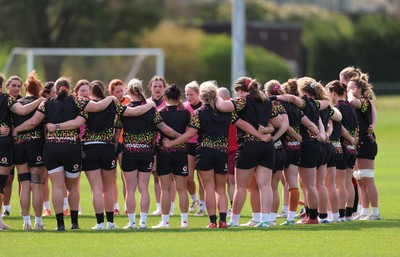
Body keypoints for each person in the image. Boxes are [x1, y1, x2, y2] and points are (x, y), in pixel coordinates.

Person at [13, 76, 116, 231]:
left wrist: (17, 129)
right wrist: (111, 98)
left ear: (56, 89)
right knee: (73, 188)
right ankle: (74, 223)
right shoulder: (76, 101)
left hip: (51, 149)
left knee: (57, 187)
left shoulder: (46, 103)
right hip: (71, 148)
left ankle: (60, 224)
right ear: (69, 89)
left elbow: (34, 122)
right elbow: (98, 107)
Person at [165, 81, 269, 228]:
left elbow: (190, 135)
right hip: (222, 152)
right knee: (221, 189)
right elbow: (244, 125)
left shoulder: (198, 113)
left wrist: (171, 143)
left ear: (201, 96)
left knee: (208, 188)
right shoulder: (227, 113)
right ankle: (223, 220)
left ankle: (212, 221)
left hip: (205, 152)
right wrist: (261, 135)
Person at [216, 77, 280, 228]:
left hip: (248, 145)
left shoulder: (242, 101)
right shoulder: (266, 101)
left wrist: (217, 97)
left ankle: (235, 220)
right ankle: (265, 220)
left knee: (241, 186)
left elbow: (222, 107)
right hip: (266, 146)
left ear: (239, 90)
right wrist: (267, 129)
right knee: (265, 185)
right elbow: (278, 123)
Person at [120, 79, 180, 230]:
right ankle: (143, 222)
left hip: (129, 151)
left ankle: (132, 222)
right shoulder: (151, 110)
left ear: (128, 92)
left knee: (130, 189)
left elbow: (115, 134)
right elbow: (165, 129)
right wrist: (181, 137)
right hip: (146, 152)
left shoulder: (123, 110)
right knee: (144, 188)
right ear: (142, 91)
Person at [274, 77, 330, 224]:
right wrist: (321, 133)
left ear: (304, 92)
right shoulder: (317, 104)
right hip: (317, 145)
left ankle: (312, 217)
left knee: (309, 185)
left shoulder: (304, 102)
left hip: (307, 146)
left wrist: (273, 96)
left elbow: (292, 98)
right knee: (310, 184)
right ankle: (313, 215)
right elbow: (316, 122)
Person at [1, 74, 44, 230]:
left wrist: (15, 130)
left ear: (24, 87)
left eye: (18, 86)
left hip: (18, 145)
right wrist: (40, 100)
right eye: (14, 86)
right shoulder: (39, 103)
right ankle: (38, 223)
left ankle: (26, 222)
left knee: (24, 185)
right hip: (35, 145)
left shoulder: (11, 103)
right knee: (37, 185)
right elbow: (32, 119)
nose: (16, 88)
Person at [151, 84, 190, 228]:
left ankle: (165, 222)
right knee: (182, 188)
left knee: (165, 189)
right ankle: (184, 221)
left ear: (165, 97)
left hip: (164, 152)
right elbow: (190, 131)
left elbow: (154, 135)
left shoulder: (159, 112)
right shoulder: (185, 113)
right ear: (180, 98)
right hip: (181, 151)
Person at [347, 78, 380, 220]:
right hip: (358, 144)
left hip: (366, 143)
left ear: (358, 89)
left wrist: (349, 93)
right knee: (359, 179)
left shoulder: (364, 101)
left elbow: (353, 102)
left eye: (351, 87)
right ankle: (364, 211)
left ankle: (376, 212)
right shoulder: (356, 101)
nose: (348, 89)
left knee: (368, 178)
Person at [146, 76, 176, 217]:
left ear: (165, 88)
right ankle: (159, 206)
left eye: (160, 86)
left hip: (169, 144)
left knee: (170, 176)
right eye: (155, 86)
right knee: (156, 175)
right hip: (152, 145)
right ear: (150, 87)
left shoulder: (169, 103)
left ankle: (171, 206)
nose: (157, 89)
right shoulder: (146, 103)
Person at [108, 79, 131, 215]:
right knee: (112, 177)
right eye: (117, 91)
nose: (120, 93)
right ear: (112, 93)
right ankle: (115, 206)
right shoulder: (108, 103)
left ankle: (128, 206)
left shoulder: (128, 102)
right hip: (111, 143)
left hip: (124, 143)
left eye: (121, 90)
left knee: (126, 176)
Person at [183, 81, 205, 215]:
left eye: (191, 94)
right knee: (188, 177)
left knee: (202, 177)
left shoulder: (204, 107)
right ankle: (194, 199)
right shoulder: (184, 107)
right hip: (189, 144)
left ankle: (202, 207)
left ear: (198, 94)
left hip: (202, 144)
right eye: (186, 94)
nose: (188, 97)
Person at [216, 87, 237, 217]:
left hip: (234, 149)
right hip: (220, 149)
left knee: (232, 179)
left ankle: (233, 207)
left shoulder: (235, 107)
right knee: (220, 181)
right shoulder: (215, 110)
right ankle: (226, 207)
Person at [40, 82, 56, 217]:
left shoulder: (58, 106)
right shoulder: (43, 105)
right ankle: (46, 208)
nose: (55, 95)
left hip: (55, 145)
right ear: (46, 94)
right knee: (43, 179)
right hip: (43, 145)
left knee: (58, 179)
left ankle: (64, 207)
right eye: (53, 93)